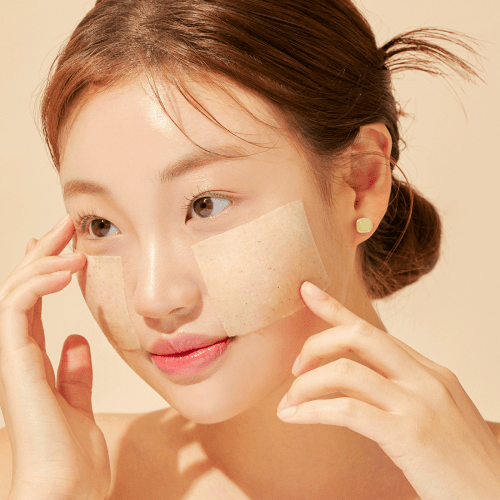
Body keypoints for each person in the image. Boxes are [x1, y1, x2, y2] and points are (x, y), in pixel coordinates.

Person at [1, 0, 500, 499]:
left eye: (205, 205)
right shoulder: (32, 478)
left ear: (360, 183)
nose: (153, 298)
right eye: (101, 224)